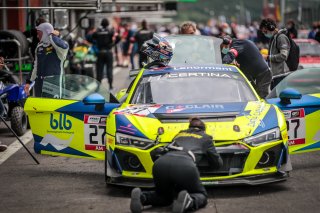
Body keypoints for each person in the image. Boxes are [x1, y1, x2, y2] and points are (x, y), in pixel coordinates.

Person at [130, 117, 223, 213]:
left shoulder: (178, 134)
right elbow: (217, 163)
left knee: (164, 197)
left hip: (160, 163)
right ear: (203, 129)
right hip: (184, 165)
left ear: (189, 127)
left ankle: (142, 197)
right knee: (201, 195)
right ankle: (189, 201)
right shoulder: (206, 137)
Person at [24, 22, 69, 97]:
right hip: (39, 84)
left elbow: (64, 46)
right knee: (40, 107)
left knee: (53, 107)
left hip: (54, 84)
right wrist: (28, 82)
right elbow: (35, 66)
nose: (38, 36)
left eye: (39, 33)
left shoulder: (59, 48)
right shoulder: (39, 47)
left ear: (46, 32)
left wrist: (51, 35)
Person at [259, 18, 290, 89]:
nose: (264, 34)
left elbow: (283, 56)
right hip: (275, 76)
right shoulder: (274, 38)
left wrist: (267, 57)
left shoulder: (281, 38)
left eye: (265, 31)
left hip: (281, 76)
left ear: (271, 27)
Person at [92, 18, 116, 89]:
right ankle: (110, 86)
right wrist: (112, 44)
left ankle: (98, 86)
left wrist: (96, 43)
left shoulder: (97, 31)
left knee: (99, 69)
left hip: (100, 52)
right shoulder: (110, 30)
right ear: (108, 23)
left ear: (101, 23)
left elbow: (91, 37)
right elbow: (117, 37)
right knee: (109, 69)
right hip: (108, 52)